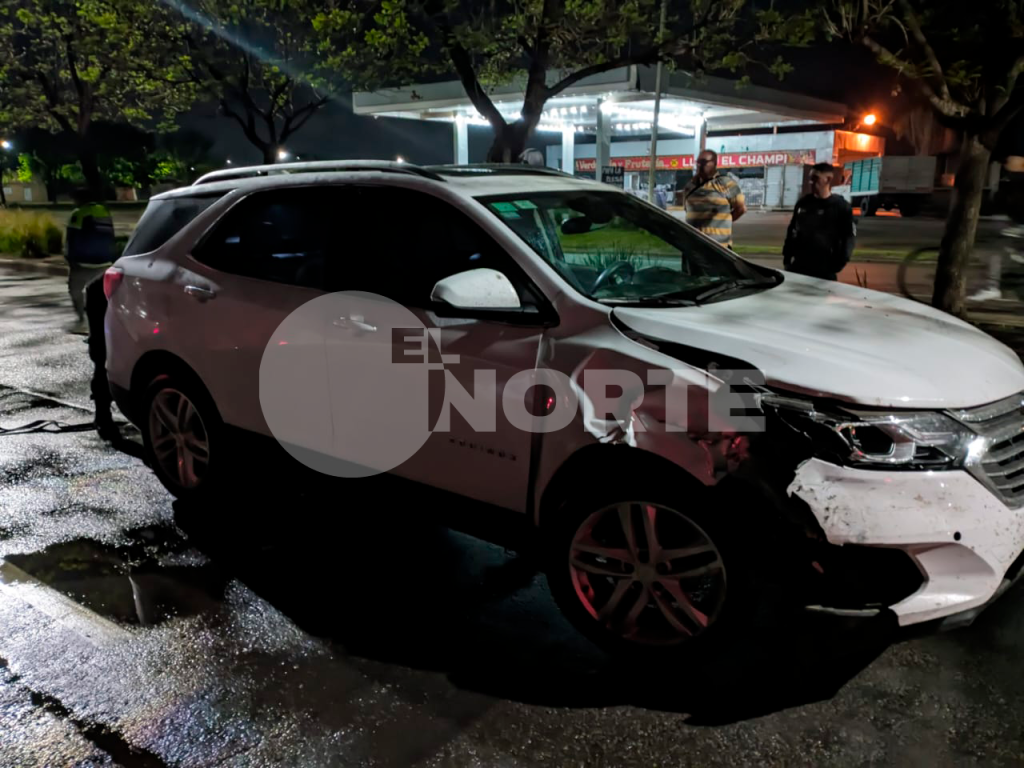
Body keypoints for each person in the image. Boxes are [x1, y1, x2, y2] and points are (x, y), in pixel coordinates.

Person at [782, 162, 856, 280]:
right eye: (810, 178)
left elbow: (848, 238)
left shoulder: (840, 207)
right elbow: (792, 230)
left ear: (828, 179)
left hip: (824, 269)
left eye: (815, 178)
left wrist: (839, 264)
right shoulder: (803, 203)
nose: (810, 182)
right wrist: (787, 258)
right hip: (798, 266)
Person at [968, 155, 1024, 302]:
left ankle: (992, 287)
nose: (1009, 164)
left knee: (997, 248)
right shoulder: (1011, 180)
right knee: (1002, 246)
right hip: (1015, 219)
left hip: (1019, 221)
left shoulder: (1016, 179)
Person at [65, 187, 115, 333]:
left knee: (75, 289)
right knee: (102, 292)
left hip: (84, 261)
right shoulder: (104, 211)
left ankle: (82, 319)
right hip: (105, 260)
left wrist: (70, 258)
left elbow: (72, 237)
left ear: (79, 199)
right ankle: (106, 320)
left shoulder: (79, 213)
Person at [680, 150, 746, 248]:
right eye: (698, 162)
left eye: (704, 162)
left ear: (714, 163)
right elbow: (687, 210)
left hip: (719, 248)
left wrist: (722, 223)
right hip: (693, 246)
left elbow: (741, 209)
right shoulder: (690, 186)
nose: (700, 165)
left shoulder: (727, 184)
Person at [83, 272, 117, 440]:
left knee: (102, 356)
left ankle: (102, 416)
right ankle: (102, 416)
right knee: (103, 356)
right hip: (104, 293)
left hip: (106, 290)